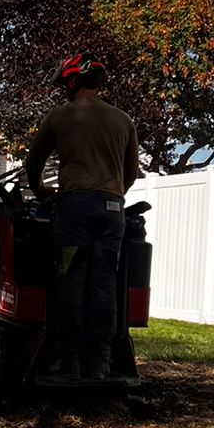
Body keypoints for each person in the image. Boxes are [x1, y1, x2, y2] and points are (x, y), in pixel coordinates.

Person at [22, 54, 141, 385]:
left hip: (73, 210)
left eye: (64, 84)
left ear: (72, 81)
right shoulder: (123, 120)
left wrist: (42, 190)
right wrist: (110, 193)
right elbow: (129, 174)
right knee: (104, 284)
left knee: (69, 281)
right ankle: (100, 363)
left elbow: (34, 164)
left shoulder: (60, 117)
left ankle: (66, 361)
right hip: (113, 212)